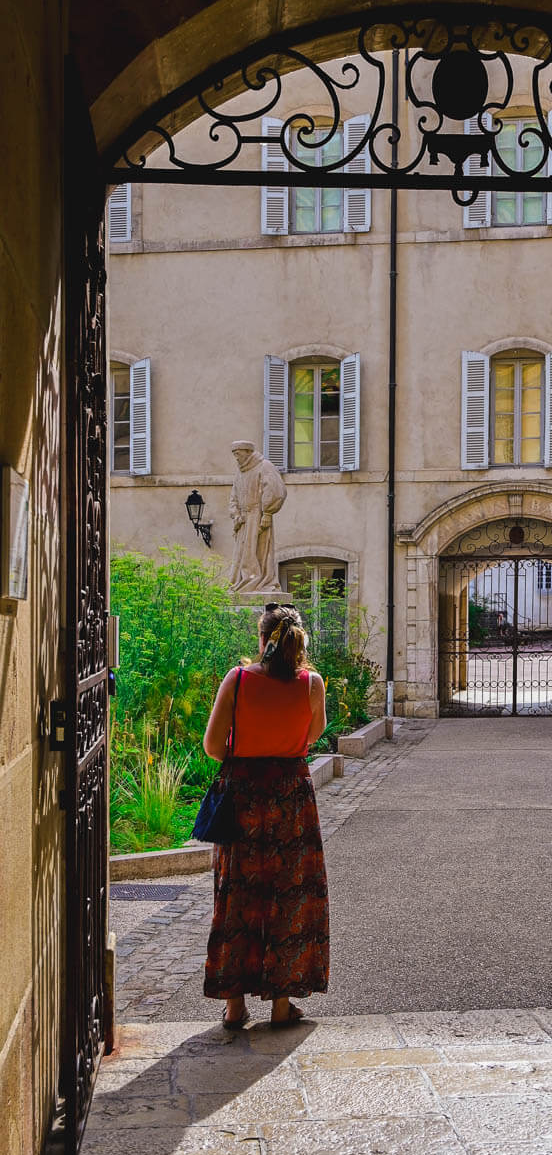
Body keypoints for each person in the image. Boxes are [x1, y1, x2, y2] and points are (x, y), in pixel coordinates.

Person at [202, 602, 329, 1027]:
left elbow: (213, 747)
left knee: (238, 895)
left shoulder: (237, 680)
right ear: (299, 642)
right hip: (291, 796)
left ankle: (235, 1006)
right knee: (291, 895)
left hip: (243, 795)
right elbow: (311, 735)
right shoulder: (312, 684)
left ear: (261, 640)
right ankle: (280, 1005)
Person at [228, 440, 287, 592]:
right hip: (243, 519)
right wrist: (236, 514)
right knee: (241, 554)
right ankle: (243, 582)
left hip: (257, 515)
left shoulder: (264, 466)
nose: (236, 458)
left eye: (238, 454)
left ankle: (260, 582)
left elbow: (276, 490)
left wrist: (267, 512)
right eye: (234, 454)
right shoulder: (240, 472)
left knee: (258, 551)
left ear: (248, 452)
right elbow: (233, 496)